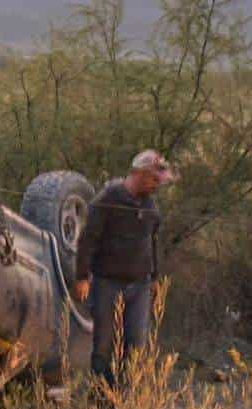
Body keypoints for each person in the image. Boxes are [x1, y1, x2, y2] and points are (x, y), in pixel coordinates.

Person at [71, 150, 176, 388]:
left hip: (140, 284)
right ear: (138, 174)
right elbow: (88, 240)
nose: (157, 185)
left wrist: (155, 277)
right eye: (153, 179)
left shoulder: (150, 204)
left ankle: (127, 400)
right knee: (104, 345)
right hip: (108, 282)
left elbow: (152, 242)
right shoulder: (108, 198)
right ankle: (101, 400)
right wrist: (82, 277)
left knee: (136, 343)